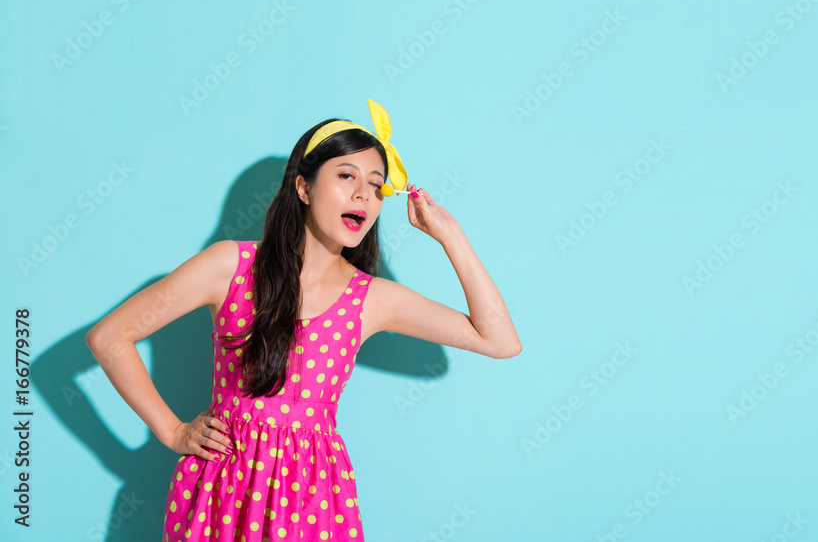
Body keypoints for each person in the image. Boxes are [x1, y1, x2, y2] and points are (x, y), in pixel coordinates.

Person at [85, 99, 522, 541]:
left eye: (377, 186)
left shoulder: (371, 299)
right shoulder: (230, 267)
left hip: (312, 499)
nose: (363, 195)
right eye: (346, 176)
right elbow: (110, 337)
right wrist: (173, 430)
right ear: (303, 187)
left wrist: (451, 236)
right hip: (224, 489)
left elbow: (499, 339)